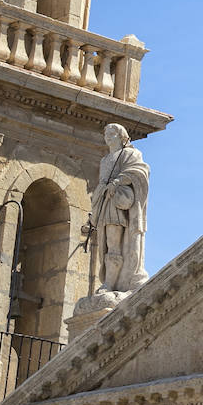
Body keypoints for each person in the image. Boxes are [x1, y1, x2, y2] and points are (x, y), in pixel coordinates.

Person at [90, 123, 149, 293]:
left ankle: (112, 284)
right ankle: (110, 282)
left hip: (117, 204)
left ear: (122, 136)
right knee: (107, 244)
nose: (108, 136)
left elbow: (140, 170)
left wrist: (117, 181)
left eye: (112, 133)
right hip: (105, 202)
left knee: (114, 243)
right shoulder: (105, 160)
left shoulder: (131, 153)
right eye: (106, 133)